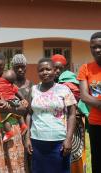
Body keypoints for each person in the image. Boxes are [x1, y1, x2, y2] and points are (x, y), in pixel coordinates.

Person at [25, 58, 76, 173]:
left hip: (59, 142)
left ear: (54, 71)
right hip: (37, 141)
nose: (45, 72)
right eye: (41, 70)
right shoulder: (33, 90)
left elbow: (72, 114)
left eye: (48, 69)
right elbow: (29, 113)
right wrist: (27, 138)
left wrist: (68, 139)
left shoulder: (64, 90)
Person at [51, 54, 87, 173]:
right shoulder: (47, 85)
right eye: (54, 68)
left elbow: (82, 101)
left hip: (74, 126)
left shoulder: (71, 82)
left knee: (76, 155)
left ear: (65, 68)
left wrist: (77, 111)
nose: (57, 71)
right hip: (56, 128)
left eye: (60, 68)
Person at [77, 32, 101, 173]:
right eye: (93, 47)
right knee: (97, 159)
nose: (97, 50)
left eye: (100, 46)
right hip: (95, 123)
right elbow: (85, 96)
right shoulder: (85, 68)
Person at [0, 69, 28, 142]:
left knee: (4, 119)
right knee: (16, 113)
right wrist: (23, 99)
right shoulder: (11, 85)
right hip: (14, 101)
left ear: (2, 75)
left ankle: (9, 132)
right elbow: (18, 93)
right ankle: (23, 125)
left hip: (3, 103)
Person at [12, 54, 33, 173]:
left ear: (26, 67)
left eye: (22, 66)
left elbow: (30, 112)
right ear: (12, 68)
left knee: (27, 157)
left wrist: (27, 134)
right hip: (10, 126)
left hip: (26, 125)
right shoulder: (8, 84)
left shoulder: (31, 86)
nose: (20, 69)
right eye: (17, 67)